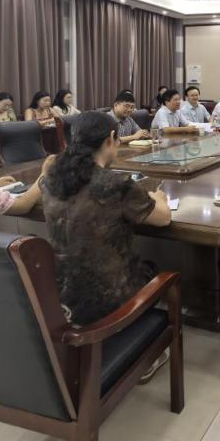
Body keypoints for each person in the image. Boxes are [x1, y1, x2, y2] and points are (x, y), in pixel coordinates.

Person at [41, 111, 172, 381]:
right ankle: (143, 351)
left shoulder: (51, 178)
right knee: (152, 269)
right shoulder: (114, 183)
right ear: (111, 139)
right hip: (110, 298)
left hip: (62, 294)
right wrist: (159, 198)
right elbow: (163, 218)